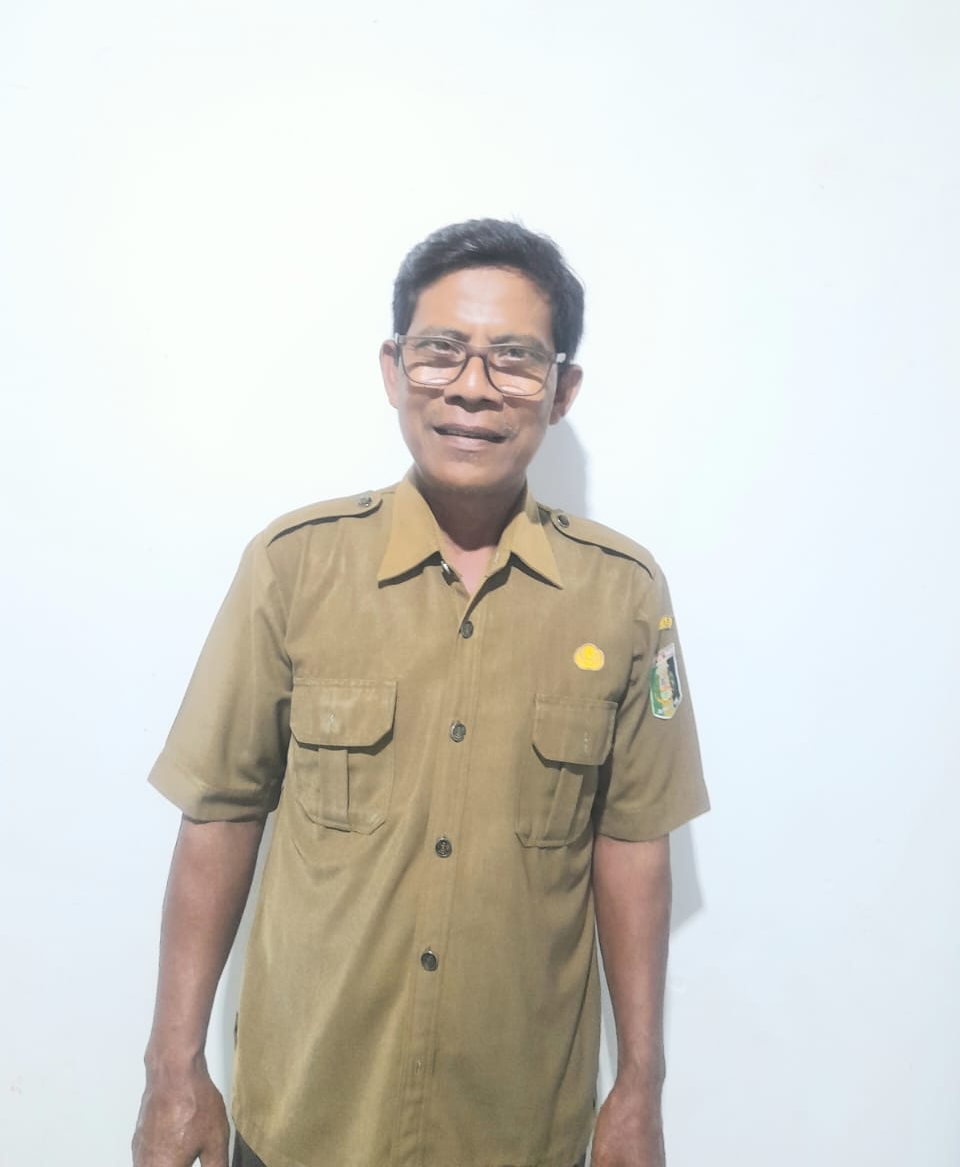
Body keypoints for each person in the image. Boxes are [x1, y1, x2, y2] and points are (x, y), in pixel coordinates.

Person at [132, 219, 709, 1167]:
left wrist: (639, 1088)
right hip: (308, 1116)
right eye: (441, 350)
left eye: (514, 358)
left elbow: (634, 844)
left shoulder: (623, 595)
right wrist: (173, 1070)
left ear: (562, 389)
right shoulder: (296, 568)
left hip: (519, 1126)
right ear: (394, 369)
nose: (473, 386)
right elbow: (219, 815)